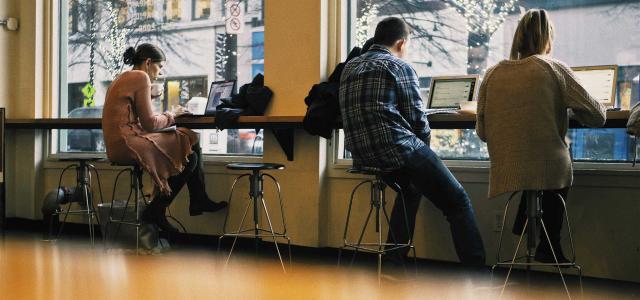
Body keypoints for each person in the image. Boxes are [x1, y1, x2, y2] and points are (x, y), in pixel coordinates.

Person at [339, 17, 486, 268]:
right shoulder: (398, 66)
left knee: (411, 189)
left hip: (363, 155)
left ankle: (393, 261)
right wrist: (426, 154)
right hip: (397, 149)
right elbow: (417, 121)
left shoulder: (350, 67)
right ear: (401, 42)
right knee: (457, 202)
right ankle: (478, 274)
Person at [476, 9, 606, 263]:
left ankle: (525, 226)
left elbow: (482, 132)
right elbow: (598, 116)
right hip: (549, 167)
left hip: (507, 166)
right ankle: (550, 243)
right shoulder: (554, 68)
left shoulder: (492, 74)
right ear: (548, 37)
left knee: (533, 164)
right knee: (552, 161)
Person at [102, 43, 227, 233]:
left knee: (189, 144)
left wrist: (150, 97)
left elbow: (132, 115)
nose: (159, 73)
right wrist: (173, 114)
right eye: (159, 67)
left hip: (118, 143)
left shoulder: (124, 77)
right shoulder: (140, 77)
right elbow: (150, 124)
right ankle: (160, 209)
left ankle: (191, 201)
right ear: (148, 62)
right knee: (189, 144)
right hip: (127, 143)